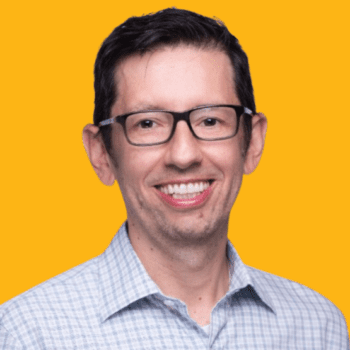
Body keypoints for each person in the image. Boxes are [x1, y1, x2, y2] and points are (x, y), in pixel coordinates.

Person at [0, 8, 348, 350]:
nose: (184, 155)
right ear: (101, 153)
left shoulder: (320, 328)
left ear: (252, 142)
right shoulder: (27, 335)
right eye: (148, 123)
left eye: (211, 121)